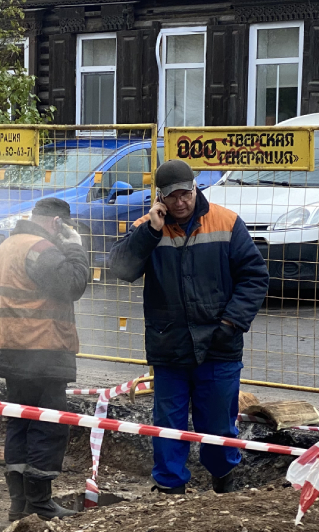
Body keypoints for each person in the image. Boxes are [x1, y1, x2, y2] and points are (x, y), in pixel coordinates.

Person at [108, 159, 269, 495]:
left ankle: (224, 479)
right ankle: (169, 488)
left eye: (185, 193)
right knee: (168, 424)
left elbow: (254, 278)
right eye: (172, 196)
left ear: (195, 188)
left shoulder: (225, 222)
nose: (180, 202)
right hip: (170, 347)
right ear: (160, 199)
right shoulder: (149, 228)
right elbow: (121, 268)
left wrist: (231, 322)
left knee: (219, 424)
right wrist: (150, 231)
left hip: (219, 345)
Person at [0, 197, 90, 520]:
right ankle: (40, 504)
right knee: (48, 424)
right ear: (58, 224)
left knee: (19, 422)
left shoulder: (8, 246)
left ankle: (20, 504)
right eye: (66, 228)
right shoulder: (41, 249)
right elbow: (72, 284)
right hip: (41, 350)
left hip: (12, 349)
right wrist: (75, 249)